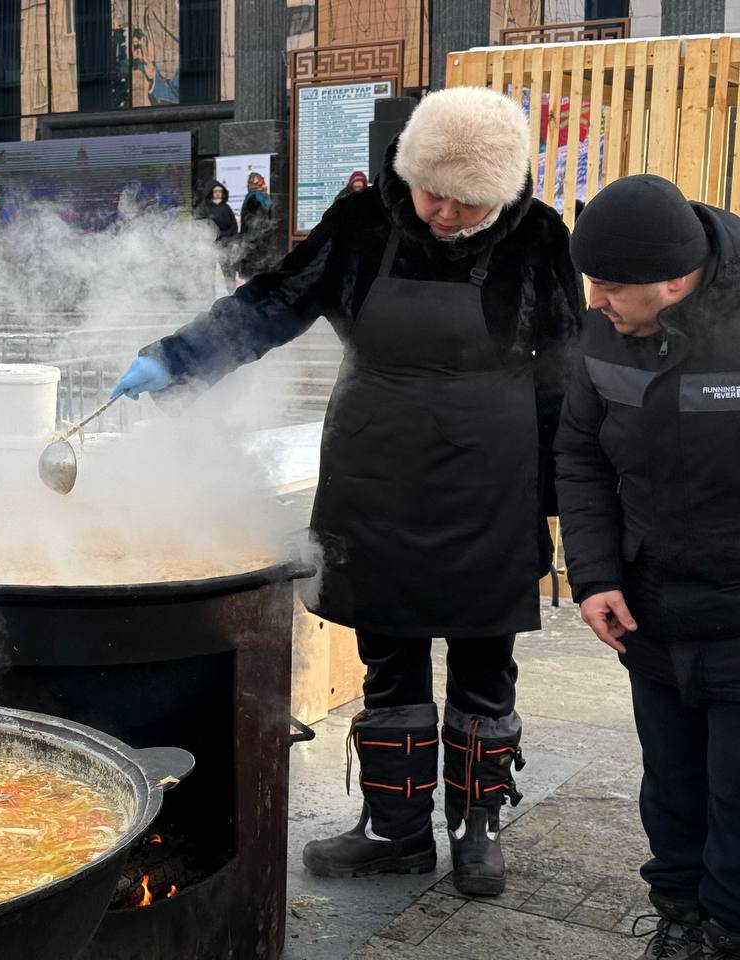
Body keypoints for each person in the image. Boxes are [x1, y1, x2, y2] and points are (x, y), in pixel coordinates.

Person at [110, 87, 583, 895]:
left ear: (501, 193)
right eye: (432, 192)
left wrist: (553, 491)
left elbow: (566, 370)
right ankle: (395, 829)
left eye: (466, 201)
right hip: (376, 471)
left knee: (484, 662)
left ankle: (477, 829)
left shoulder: (537, 236)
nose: (444, 212)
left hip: (492, 479)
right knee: (389, 658)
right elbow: (276, 301)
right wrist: (179, 358)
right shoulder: (364, 222)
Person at [556, 174, 740, 960]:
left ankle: (728, 930)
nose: (594, 301)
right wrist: (595, 575)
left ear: (674, 279)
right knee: (670, 781)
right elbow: (581, 454)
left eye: (609, 286)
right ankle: (680, 919)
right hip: (652, 607)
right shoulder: (605, 328)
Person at [194, 180, 239, 288]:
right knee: (208, 271)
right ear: (210, 192)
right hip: (210, 245)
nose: (218, 194)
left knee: (228, 270)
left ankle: (232, 291)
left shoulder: (226, 208)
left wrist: (227, 237)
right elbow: (200, 225)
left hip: (226, 243)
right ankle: (208, 293)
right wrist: (211, 236)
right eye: (216, 191)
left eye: (220, 191)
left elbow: (234, 226)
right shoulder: (203, 208)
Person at [238, 171, 278, 281]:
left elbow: (255, 223)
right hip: (265, 242)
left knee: (253, 274)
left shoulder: (253, 197)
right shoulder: (266, 198)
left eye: (250, 183)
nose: (248, 185)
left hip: (254, 243)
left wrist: (248, 240)